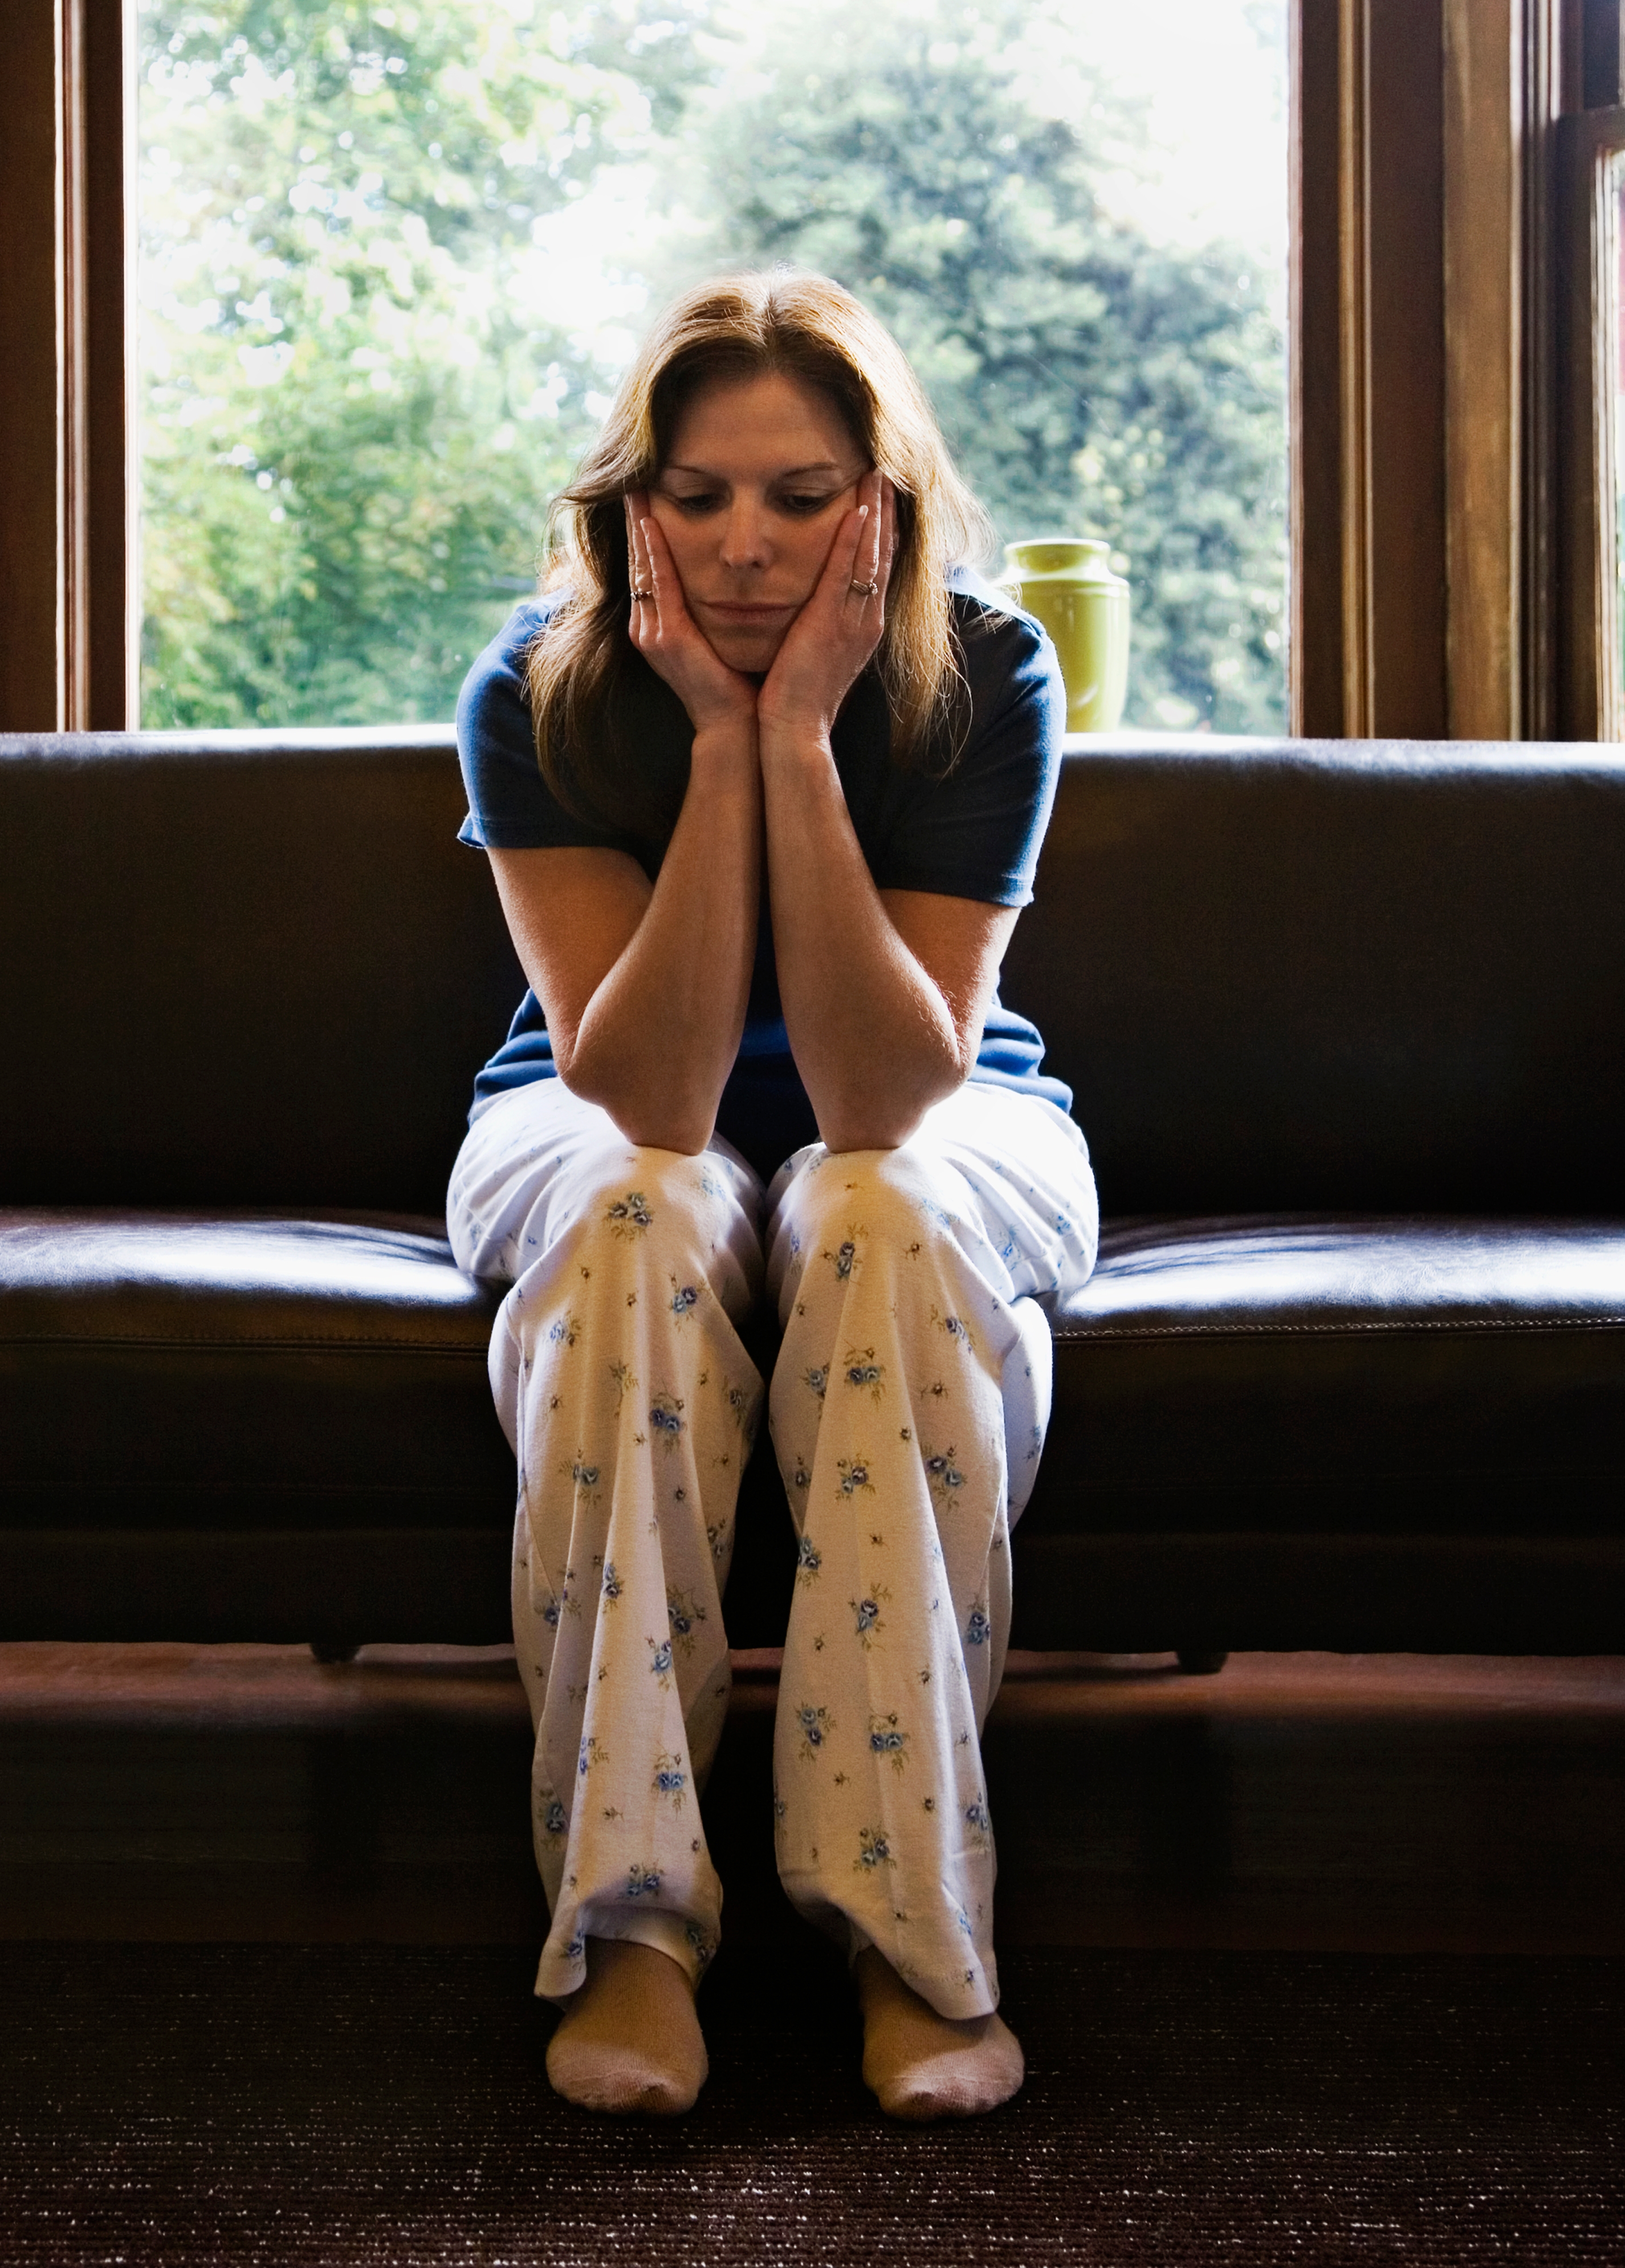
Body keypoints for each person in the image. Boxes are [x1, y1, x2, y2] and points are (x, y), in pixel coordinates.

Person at [448, 270, 1097, 2120]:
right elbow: (643, 1089)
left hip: (946, 1110)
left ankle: (915, 1938)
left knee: (879, 1217)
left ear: (878, 502)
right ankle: (632, 1929)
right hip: (593, 1117)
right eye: (701, 494)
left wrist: (799, 735)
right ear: (632, 502)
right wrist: (714, 737)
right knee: (640, 1212)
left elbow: (888, 1091)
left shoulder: (988, 673)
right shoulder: (537, 679)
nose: (745, 545)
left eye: (801, 497)